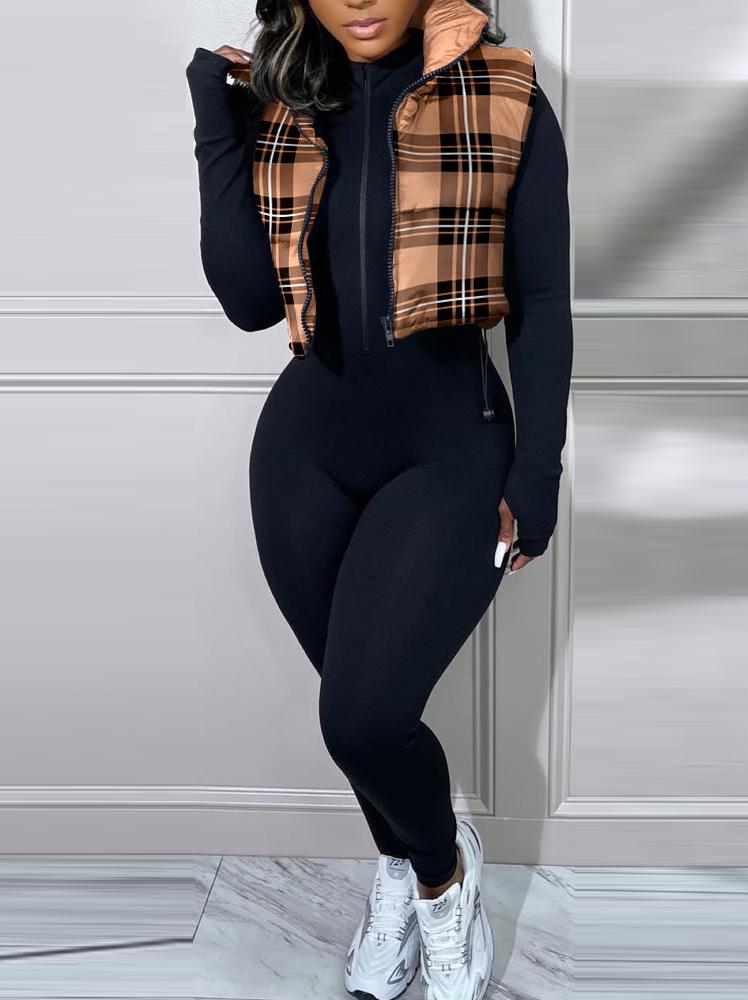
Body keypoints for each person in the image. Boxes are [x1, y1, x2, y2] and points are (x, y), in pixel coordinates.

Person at [186, 1, 572, 997]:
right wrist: (214, 126)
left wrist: (537, 473)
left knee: (364, 718)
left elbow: (540, 301)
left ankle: (442, 879)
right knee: (351, 713)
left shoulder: (504, 93)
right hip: (303, 453)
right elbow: (247, 301)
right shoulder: (280, 100)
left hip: (448, 451)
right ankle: (406, 867)